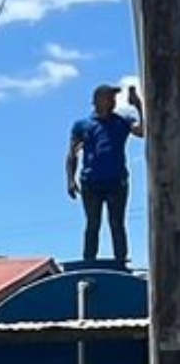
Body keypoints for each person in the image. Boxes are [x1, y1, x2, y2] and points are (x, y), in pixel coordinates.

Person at [67, 83, 144, 264]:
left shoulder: (122, 121)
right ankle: (89, 261)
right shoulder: (82, 125)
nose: (113, 101)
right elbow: (72, 154)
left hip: (117, 181)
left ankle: (120, 260)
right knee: (93, 224)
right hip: (91, 182)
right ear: (97, 101)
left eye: (114, 97)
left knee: (117, 223)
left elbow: (144, 131)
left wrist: (138, 105)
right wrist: (70, 180)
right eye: (109, 97)